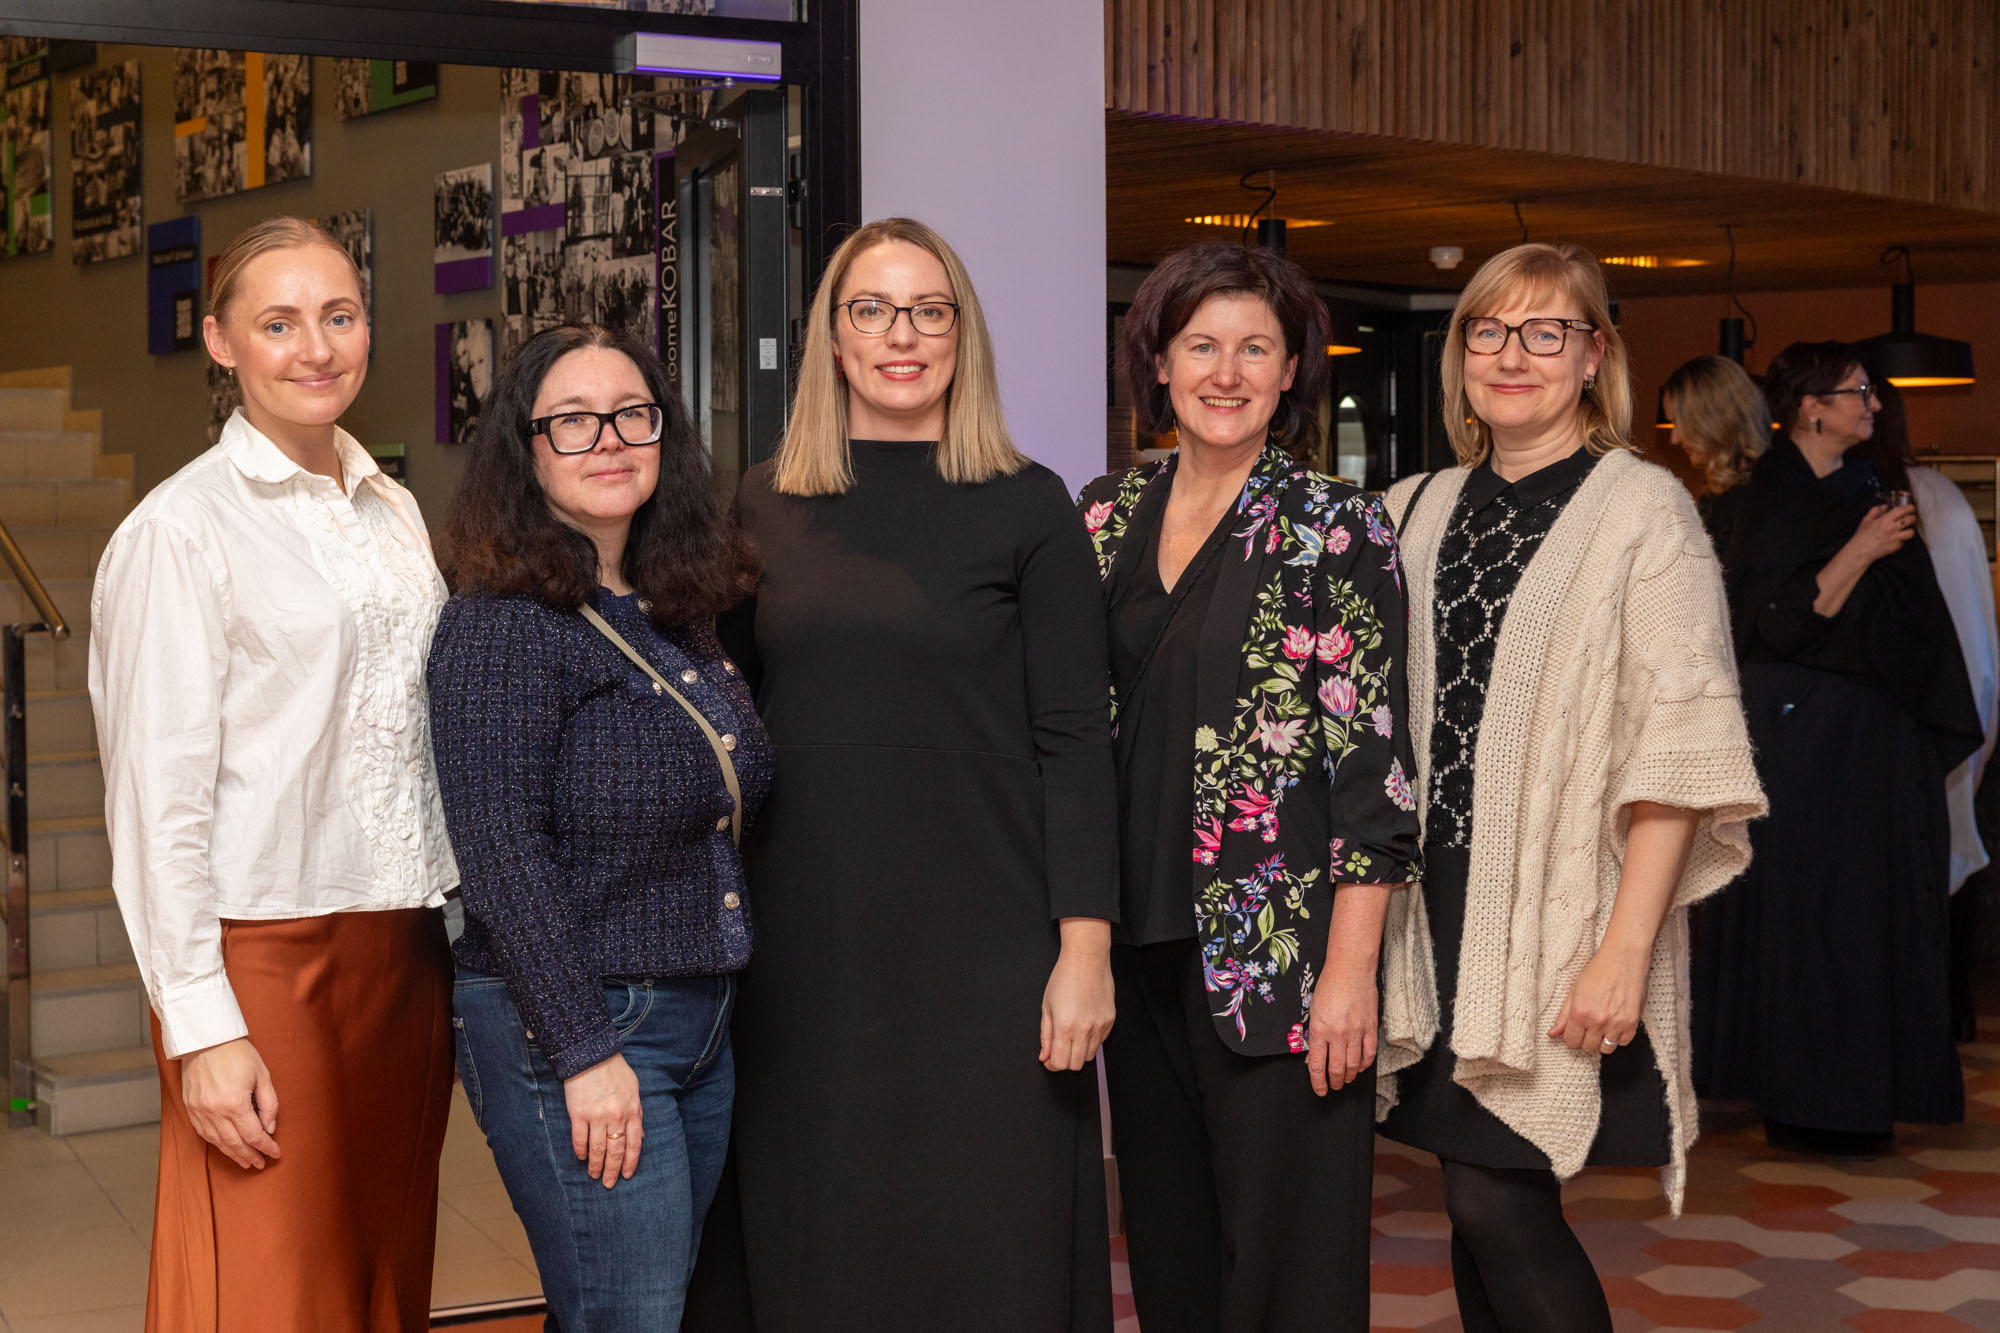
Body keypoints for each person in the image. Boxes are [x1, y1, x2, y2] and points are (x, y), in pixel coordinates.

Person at [684, 217, 1118, 1332]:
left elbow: (1077, 740)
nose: (902, 335)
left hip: (992, 946)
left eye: (929, 311)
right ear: (832, 339)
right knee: (822, 1223)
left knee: (988, 1226)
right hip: (807, 939)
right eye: (871, 310)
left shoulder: (1030, 503)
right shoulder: (762, 502)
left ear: (960, 335)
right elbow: (718, 723)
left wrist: (1084, 952)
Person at [1375, 242, 1765, 1332]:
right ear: (1460, 354)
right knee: (1472, 1203)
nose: (1513, 356)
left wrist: (1623, 952)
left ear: (1593, 356)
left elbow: (1678, 751)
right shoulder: (1409, 508)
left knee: (1493, 1197)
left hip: (1565, 917)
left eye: (1545, 331)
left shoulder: (1644, 511)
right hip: (1430, 913)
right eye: (1488, 331)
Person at [90, 216, 458, 1331]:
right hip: (266, 962)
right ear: (221, 342)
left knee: (384, 1278)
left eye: (339, 317)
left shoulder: (391, 508)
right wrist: (200, 1026)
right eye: (279, 323)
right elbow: (155, 803)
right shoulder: (180, 530)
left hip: (406, 953)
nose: (317, 348)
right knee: (274, 1290)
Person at [1075, 242, 1421, 1332]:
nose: (1225, 373)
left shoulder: (1337, 524)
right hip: (1133, 944)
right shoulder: (1102, 515)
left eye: (1254, 349)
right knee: (1168, 1248)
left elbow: (1374, 765)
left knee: (1289, 1268)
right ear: (1159, 364)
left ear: (1291, 372)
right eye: (1200, 346)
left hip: (1282, 956)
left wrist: (1350, 973)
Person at [426, 324, 770, 1332]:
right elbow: (500, 857)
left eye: (630, 414)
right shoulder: (498, 624)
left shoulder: (672, 608)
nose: (609, 439)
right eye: (572, 421)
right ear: (525, 449)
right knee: (630, 1312)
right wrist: (583, 1048)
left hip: (698, 1017)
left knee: (631, 1308)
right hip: (581, 1022)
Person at [1696, 341, 1982, 1153]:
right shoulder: (1775, 496)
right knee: (1810, 910)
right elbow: (1779, 621)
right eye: (1858, 393)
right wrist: (1861, 550)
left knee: (1866, 912)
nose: (1874, 405)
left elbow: (1913, 620)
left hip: (1873, 735)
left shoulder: (1867, 488)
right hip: (1802, 734)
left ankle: (1864, 1093)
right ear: (1812, 408)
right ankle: (1803, 1097)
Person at [1872, 375, 2000, 1038]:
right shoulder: (1940, 496)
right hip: (1954, 702)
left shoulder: (1894, 500)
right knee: (1945, 853)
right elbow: (1977, 624)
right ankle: (1948, 1009)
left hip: (1911, 710)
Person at [1661, 353, 1769, 557]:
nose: (1674, 439)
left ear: (1711, 419)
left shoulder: (1762, 492)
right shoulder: (1723, 488)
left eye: (1679, 423)